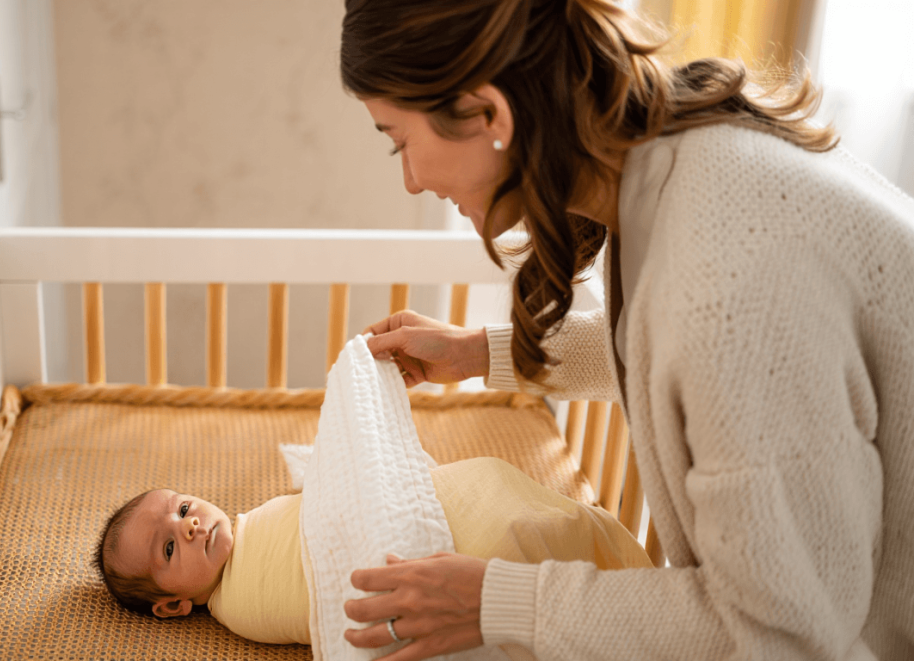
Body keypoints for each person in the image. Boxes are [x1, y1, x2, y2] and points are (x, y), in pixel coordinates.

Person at [340, 1, 914, 660]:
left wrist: (497, 601)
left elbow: (782, 632)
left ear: (487, 114)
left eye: (399, 141)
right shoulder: (678, 156)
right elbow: (663, 352)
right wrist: (480, 353)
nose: (411, 182)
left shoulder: (728, 272)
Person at [93, 457, 652, 652]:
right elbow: (333, 609)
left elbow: (321, 506)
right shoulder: (240, 608)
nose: (190, 525)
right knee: (509, 539)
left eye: (182, 507)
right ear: (173, 605)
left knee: (485, 483)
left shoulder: (252, 521)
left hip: (425, 504)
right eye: (170, 547)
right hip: (427, 555)